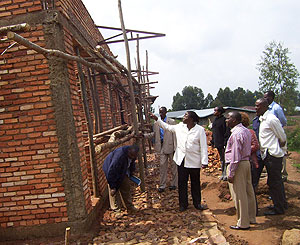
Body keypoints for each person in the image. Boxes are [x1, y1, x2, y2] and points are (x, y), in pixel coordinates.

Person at [150, 111, 208, 212]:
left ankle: (197, 203)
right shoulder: (180, 127)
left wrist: (204, 161)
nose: (183, 117)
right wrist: (157, 119)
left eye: (186, 115)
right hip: (181, 160)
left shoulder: (200, 130)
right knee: (182, 183)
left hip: (194, 160)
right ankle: (183, 204)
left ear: (191, 119)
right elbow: (167, 127)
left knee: (195, 183)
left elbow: (203, 146)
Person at [255, 98, 287, 215]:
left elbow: (282, 137)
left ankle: (279, 208)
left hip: (273, 155)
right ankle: (281, 204)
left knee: (274, 182)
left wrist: (280, 150)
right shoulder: (263, 119)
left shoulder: (272, 119)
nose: (255, 108)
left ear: (264, 107)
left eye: (258, 106)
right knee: (275, 181)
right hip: (267, 154)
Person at [225, 112, 256, 230]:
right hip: (246, 163)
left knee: (240, 194)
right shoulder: (246, 131)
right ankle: (251, 217)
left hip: (238, 165)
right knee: (249, 191)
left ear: (234, 120)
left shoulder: (236, 134)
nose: (227, 120)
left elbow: (235, 155)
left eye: (228, 118)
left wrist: (231, 172)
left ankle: (243, 223)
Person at [102, 145, 139, 212]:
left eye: (134, 156)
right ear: (128, 152)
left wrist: (131, 174)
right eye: (131, 156)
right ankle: (115, 209)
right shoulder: (119, 156)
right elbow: (111, 171)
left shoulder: (133, 153)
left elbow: (132, 164)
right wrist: (113, 186)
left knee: (126, 186)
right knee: (114, 191)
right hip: (111, 170)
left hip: (123, 169)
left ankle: (129, 207)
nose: (132, 157)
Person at [264, 91, 288, 182]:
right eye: (264, 97)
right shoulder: (266, 109)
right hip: (269, 136)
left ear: (272, 98)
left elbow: (283, 121)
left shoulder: (276, 108)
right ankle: (273, 173)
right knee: (271, 153)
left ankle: (283, 174)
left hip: (277, 134)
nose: (265, 99)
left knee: (280, 153)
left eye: (267, 97)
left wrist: (277, 129)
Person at [153, 107, 178, 193]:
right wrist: (144, 136)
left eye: (162, 112)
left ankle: (174, 184)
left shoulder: (171, 122)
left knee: (174, 166)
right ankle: (162, 185)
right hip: (162, 147)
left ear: (166, 112)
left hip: (171, 146)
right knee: (162, 166)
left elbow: (175, 136)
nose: (161, 114)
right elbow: (154, 134)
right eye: (159, 112)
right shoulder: (156, 123)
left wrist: (176, 148)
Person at [211, 106, 230, 180]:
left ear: (219, 112)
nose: (214, 112)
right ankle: (223, 173)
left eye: (215, 110)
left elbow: (226, 132)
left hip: (222, 143)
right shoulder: (215, 120)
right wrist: (212, 141)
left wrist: (225, 143)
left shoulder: (224, 120)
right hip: (218, 143)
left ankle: (226, 174)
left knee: (225, 159)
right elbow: (214, 132)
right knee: (222, 159)